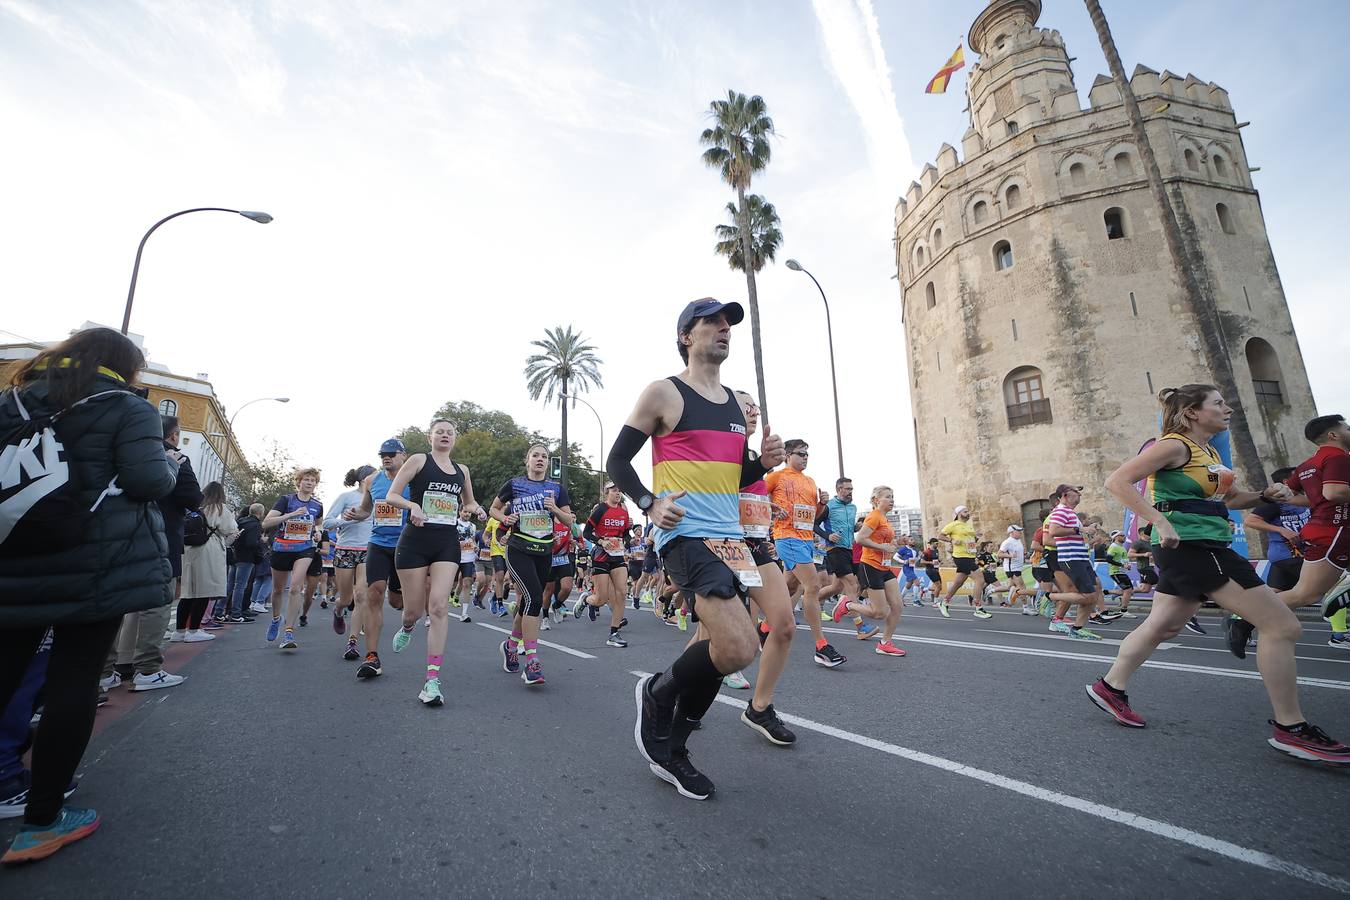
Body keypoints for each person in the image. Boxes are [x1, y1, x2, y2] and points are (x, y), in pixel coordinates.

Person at [1087, 384, 1349, 763]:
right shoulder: (1174, 445)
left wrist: (1265, 495)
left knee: (1163, 626)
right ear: (1193, 412)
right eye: (1218, 403)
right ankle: (1291, 728)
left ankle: (1110, 687)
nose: (1228, 409)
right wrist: (1159, 521)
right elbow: (1117, 481)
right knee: (1283, 627)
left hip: (1205, 545)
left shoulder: (1208, 452)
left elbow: (1232, 500)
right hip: (1193, 548)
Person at [0, 326, 178, 863]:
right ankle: (42, 822)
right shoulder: (128, 407)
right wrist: (166, 467)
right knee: (73, 684)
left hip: (15, 557)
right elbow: (150, 481)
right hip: (93, 563)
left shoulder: (13, 400)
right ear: (125, 368)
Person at [612, 298, 787, 800]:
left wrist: (763, 463)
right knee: (740, 646)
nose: (723, 329)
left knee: (721, 648)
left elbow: (735, 479)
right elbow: (618, 460)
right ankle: (656, 693)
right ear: (687, 335)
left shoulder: (735, 402)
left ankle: (676, 746)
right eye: (712, 322)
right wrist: (649, 503)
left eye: (728, 323)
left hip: (730, 540)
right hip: (685, 534)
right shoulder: (664, 393)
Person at [1228, 415, 1350, 653]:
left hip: (1323, 530)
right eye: (1346, 427)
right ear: (1333, 435)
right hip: (1336, 531)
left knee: (1302, 593)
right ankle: (1242, 620)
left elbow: (1288, 495)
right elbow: (1335, 492)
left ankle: (1242, 619)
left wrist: (1316, 500)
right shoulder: (1338, 457)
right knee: (1304, 594)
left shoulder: (1306, 466)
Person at [383, 419, 484, 707]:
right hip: (414, 543)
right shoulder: (418, 460)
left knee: (438, 605)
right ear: (431, 437)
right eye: (440, 432)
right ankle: (407, 627)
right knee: (412, 611)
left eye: (450, 433)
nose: (445, 436)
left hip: (445, 543)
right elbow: (392, 494)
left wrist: (476, 509)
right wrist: (413, 506)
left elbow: (468, 502)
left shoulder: (461, 470)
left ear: (455, 439)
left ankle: (432, 680)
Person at [489, 444, 574, 686]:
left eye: (544, 456)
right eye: (535, 455)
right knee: (536, 599)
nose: (540, 459)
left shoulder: (556, 489)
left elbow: (569, 521)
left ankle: (511, 645)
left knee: (528, 602)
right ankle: (533, 662)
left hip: (544, 551)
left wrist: (555, 509)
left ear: (548, 463)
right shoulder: (514, 485)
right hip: (519, 549)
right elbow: (493, 509)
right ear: (527, 461)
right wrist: (506, 518)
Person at [767, 441, 845, 667]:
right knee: (812, 586)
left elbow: (814, 516)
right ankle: (821, 647)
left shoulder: (810, 482)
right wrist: (772, 508)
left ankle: (764, 629)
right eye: (801, 454)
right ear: (788, 455)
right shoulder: (776, 477)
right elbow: (754, 496)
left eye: (807, 454)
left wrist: (821, 504)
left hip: (805, 540)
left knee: (789, 587)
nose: (805, 458)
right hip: (787, 536)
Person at [345, 439, 409, 679]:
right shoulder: (372, 480)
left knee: (397, 603)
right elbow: (365, 510)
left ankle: (408, 621)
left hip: (406, 547)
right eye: (383, 454)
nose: (386, 457)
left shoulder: (413, 478)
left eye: (392, 453)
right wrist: (355, 514)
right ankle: (371, 656)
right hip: (378, 544)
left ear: (404, 456)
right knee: (373, 594)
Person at [261, 468, 324, 650]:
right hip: (282, 547)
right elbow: (266, 522)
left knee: (296, 588)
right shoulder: (286, 500)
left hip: (304, 548)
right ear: (299, 482)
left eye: (313, 480)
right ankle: (275, 619)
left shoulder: (317, 504)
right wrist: (290, 515)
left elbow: (318, 523)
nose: (309, 483)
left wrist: (318, 533)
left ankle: (288, 631)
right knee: (278, 590)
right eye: (306, 479)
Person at [848, 487, 908, 656]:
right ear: (876, 500)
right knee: (880, 613)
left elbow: (883, 540)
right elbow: (860, 538)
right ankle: (848, 605)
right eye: (888, 497)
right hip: (871, 566)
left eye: (893, 497)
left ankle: (885, 643)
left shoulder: (884, 518)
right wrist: (881, 546)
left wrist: (897, 542)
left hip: (885, 566)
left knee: (897, 606)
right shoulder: (874, 516)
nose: (892, 500)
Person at [176, 482, 238, 643]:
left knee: (188, 591)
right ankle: (194, 630)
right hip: (209, 549)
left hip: (189, 550)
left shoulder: (196, 506)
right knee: (204, 590)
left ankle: (179, 630)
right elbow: (229, 529)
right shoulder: (220, 508)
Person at [324, 465, 375, 659]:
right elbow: (327, 523)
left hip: (368, 550)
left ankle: (352, 642)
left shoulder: (380, 498)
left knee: (361, 595)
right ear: (363, 479)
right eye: (373, 477)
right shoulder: (346, 497)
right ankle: (338, 610)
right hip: (345, 549)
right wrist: (348, 520)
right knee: (346, 599)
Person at [578, 483, 632, 647]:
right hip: (601, 556)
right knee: (601, 599)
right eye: (614, 490)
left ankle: (613, 633)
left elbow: (625, 535)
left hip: (617, 557)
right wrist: (601, 541)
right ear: (606, 493)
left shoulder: (623, 513)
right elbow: (587, 532)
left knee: (622, 592)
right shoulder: (601, 509)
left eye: (619, 490)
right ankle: (586, 600)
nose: (618, 493)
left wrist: (629, 542)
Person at [937, 506, 990, 618]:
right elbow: (940, 536)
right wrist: (952, 540)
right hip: (961, 557)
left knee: (958, 583)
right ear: (959, 514)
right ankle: (978, 607)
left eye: (968, 511)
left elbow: (971, 542)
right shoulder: (953, 525)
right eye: (965, 512)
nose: (968, 513)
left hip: (969, 556)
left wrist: (976, 538)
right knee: (980, 579)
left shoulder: (968, 526)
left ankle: (944, 602)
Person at [224, 504, 264, 623]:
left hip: (235, 556)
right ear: (260, 513)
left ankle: (221, 611)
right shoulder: (255, 525)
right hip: (246, 557)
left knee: (230, 585)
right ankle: (236, 613)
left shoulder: (240, 521)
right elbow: (252, 542)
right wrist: (259, 547)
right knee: (240, 586)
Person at [1104, 531, 1136, 616]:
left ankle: (1106, 592)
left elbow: (1123, 559)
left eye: (1124, 536)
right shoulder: (1113, 547)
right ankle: (1123, 610)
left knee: (1129, 591)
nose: (1124, 537)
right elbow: (1108, 559)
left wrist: (1127, 565)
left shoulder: (1121, 547)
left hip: (1121, 571)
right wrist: (1122, 565)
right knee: (1128, 590)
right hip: (1116, 572)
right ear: (1116, 537)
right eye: (1122, 536)